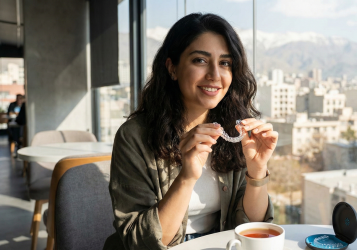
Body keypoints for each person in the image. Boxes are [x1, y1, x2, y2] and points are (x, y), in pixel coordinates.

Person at [103, 13, 278, 250]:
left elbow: (252, 229)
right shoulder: (134, 136)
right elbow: (140, 242)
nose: (215, 75)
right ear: (172, 68)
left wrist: (257, 172)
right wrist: (186, 178)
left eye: (225, 63)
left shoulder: (237, 132)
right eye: (200, 60)